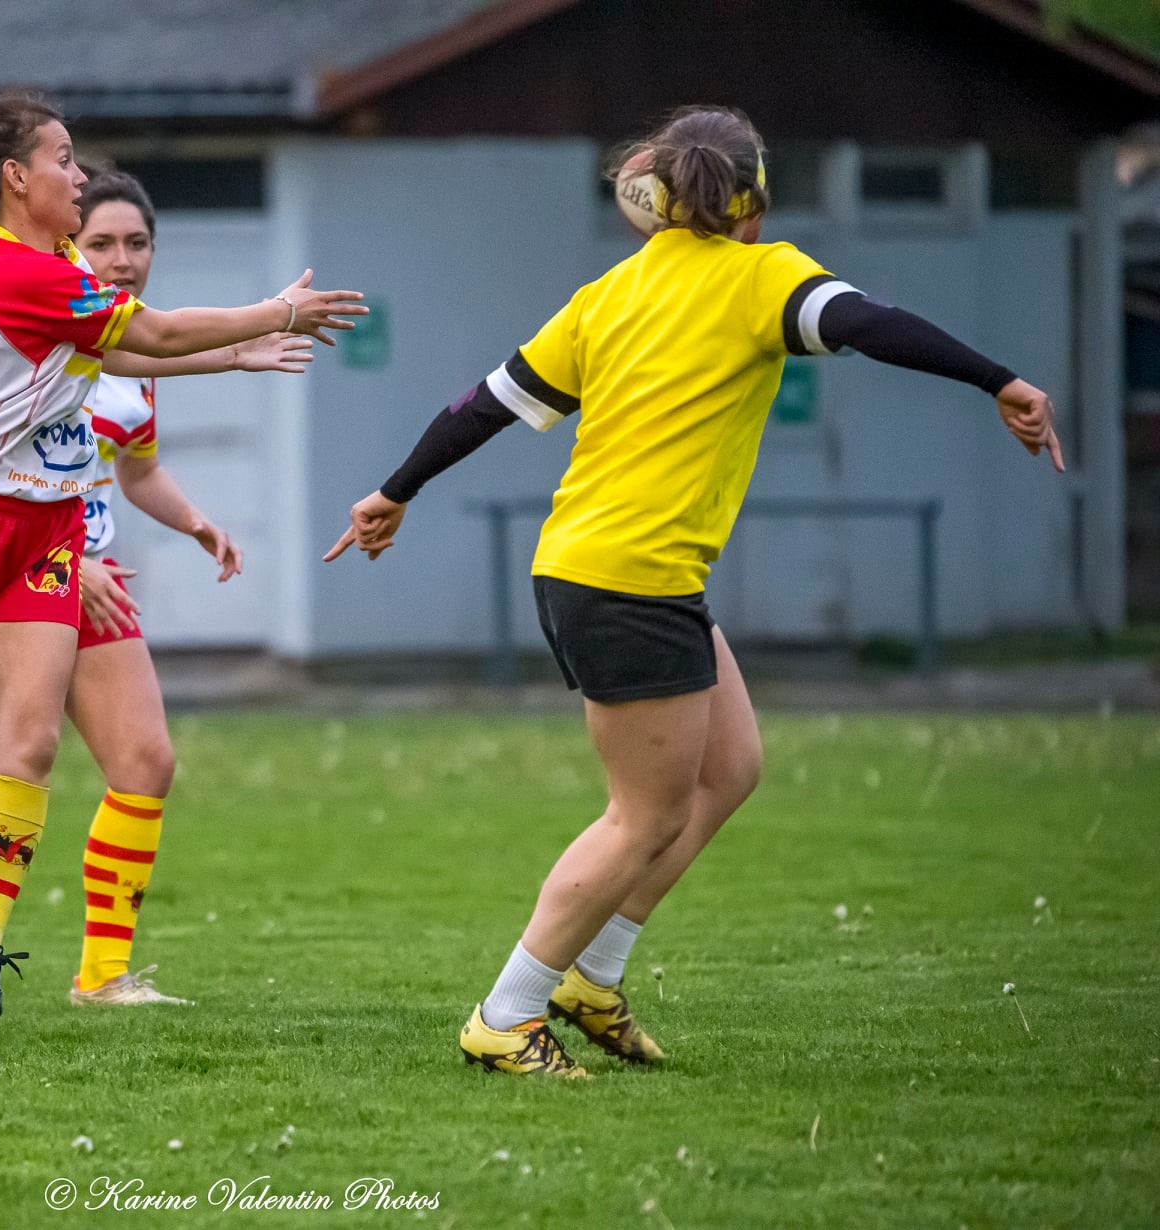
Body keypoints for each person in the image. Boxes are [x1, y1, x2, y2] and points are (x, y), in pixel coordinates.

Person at [325, 106, 1062, 1077]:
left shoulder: (610, 293)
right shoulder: (764, 278)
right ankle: (506, 1015)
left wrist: (394, 489)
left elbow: (482, 405)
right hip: (628, 579)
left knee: (731, 769)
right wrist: (1000, 380)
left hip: (606, 569)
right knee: (643, 815)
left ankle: (593, 979)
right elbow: (872, 325)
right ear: (754, 199)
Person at [0, 93, 365, 1023]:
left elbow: (120, 355)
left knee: (29, 744)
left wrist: (237, 353)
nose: (80, 174)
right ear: (16, 177)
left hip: (47, 533)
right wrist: (278, 310)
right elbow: (146, 333)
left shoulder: (59, 261)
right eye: (64, 159)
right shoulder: (14, 271)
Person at [0, 168, 307, 1007]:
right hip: (19, 571)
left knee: (144, 761)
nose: (121, 260)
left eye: (138, 244)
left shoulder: (134, 357)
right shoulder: (27, 332)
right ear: (67, 248)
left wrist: (195, 522)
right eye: (103, 244)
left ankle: (102, 975)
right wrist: (68, 560)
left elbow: (137, 470)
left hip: (88, 576)